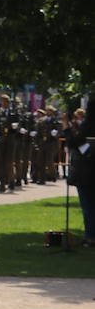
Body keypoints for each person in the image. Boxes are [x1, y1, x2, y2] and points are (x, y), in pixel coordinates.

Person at [66, 99, 95, 247]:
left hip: (85, 172)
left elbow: (74, 144)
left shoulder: (87, 126)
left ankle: (91, 236)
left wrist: (68, 129)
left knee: (88, 207)